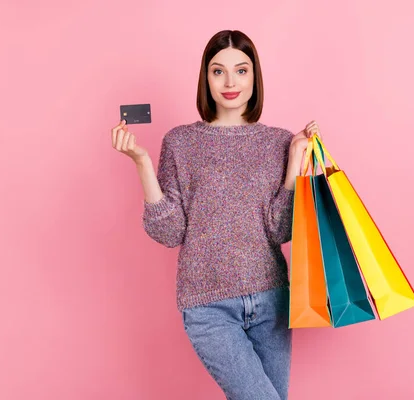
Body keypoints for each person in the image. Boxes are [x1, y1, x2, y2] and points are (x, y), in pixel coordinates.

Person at [111, 30, 323, 400]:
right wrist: (141, 163)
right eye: (218, 71)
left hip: (272, 299)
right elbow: (169, 232)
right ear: (205, 78)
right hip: (208, 306)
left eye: (241, 71)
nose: (230, 82)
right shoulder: (180, 142)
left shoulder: (278, 141)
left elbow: (280, 229)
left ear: (254, 77)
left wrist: (295, 163)